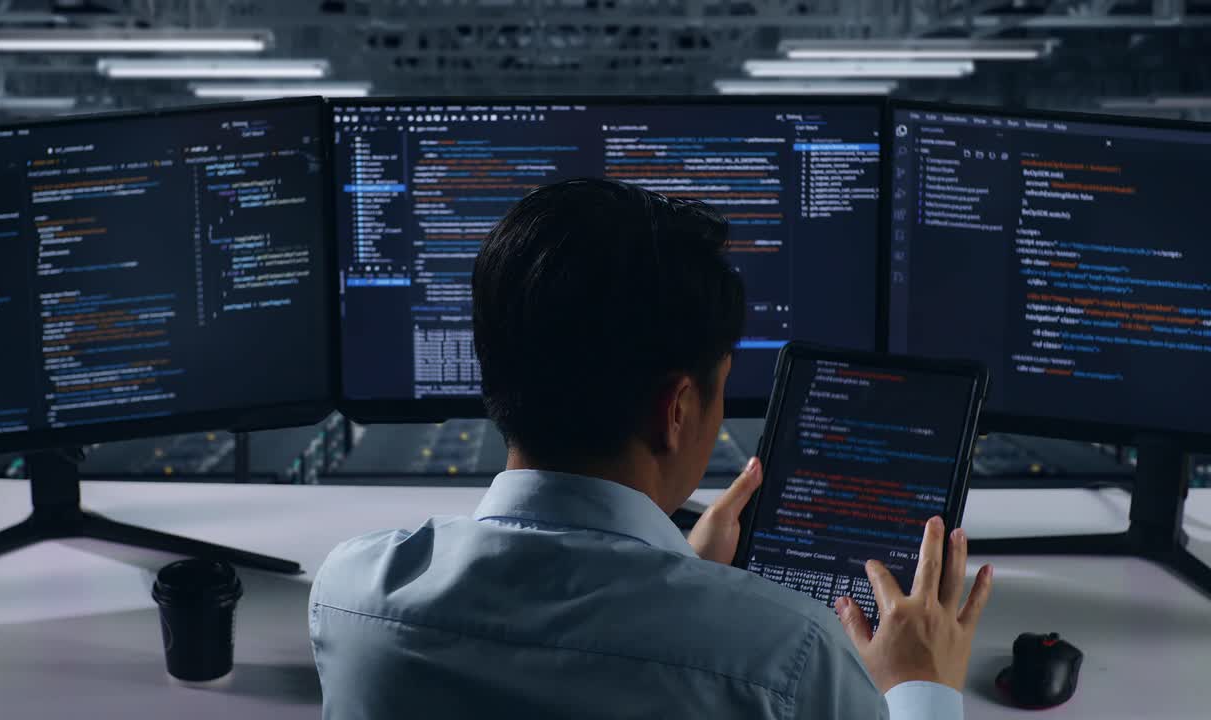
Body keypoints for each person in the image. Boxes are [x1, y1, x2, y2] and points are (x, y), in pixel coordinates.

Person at [310, 178, 994, 719]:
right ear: (678, 410)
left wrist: (683, 570)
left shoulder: (352, 592)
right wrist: (918, 686)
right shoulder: (788, 654)